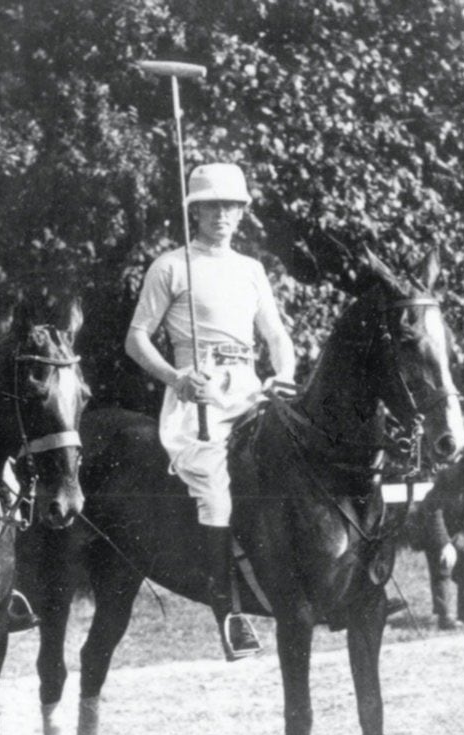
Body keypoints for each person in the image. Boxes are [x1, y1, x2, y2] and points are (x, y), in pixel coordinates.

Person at [125, 162, 297, 661]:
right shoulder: (171, 266)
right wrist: (178, 379)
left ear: (241, 213)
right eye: (212, 206)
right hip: (194, 398)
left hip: (249, 391)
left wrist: (281, 375)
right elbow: (136, 338)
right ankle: (228, 611)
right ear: (194, 212)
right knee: (216, 491)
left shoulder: (251, 269)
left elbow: (276, 335)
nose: (222, 214)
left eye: (231, 206)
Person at [408, 442, 464, 630]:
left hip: (462, 528)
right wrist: (445, 544)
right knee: (443, 569)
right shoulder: (449, 478)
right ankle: (445, 616)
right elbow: (434, 511)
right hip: (433, 527)